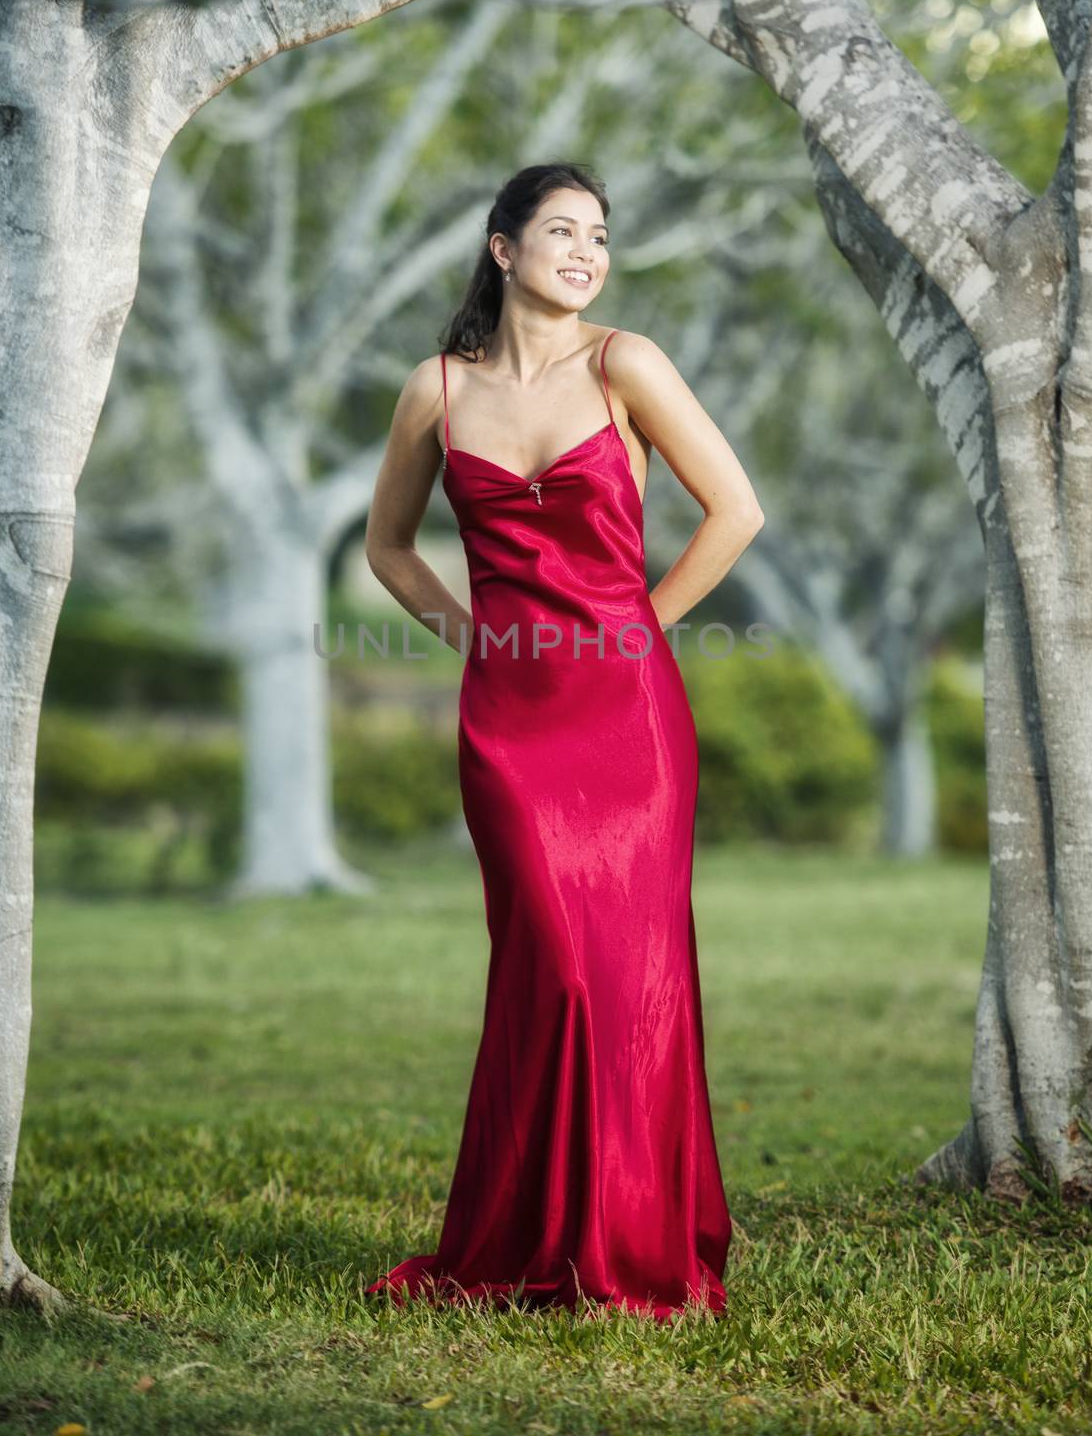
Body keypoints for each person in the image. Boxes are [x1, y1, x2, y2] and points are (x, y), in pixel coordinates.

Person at [362, 162, 764, 1319]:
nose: (585, 252)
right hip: (509, 730)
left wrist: (637, 629)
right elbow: (390, 548)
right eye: (560, 231)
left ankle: (628, 1245)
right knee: (550, 970)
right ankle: (529, 1240)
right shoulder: (435, 390)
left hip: (628, 723)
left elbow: (734, 509)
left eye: (599, 235)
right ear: (502, 248)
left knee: (626, 978)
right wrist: (472, 638)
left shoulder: (625, 363)